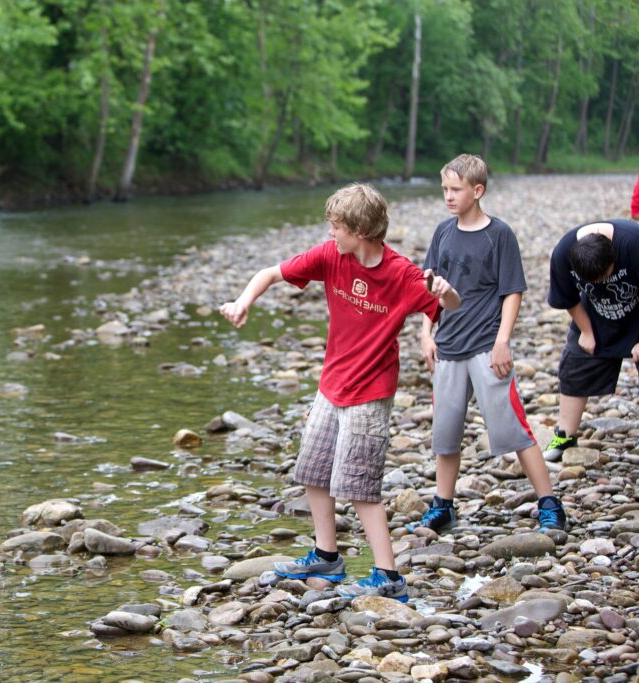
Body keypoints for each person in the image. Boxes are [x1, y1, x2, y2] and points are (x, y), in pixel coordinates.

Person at [220, 183, 461, 603]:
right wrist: (244, 301)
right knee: (313, 471)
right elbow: (271, 273)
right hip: (331, 385)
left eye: (336, 226)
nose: (330, 233)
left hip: (370, 391)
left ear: (361, 230)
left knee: (359, 485)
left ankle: (388, 575)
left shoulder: (401, 274)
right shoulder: (332, 256)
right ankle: (326, 555)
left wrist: (445, 292)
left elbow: (452, 306)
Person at [412, 154, 568, 534]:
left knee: (512, 427)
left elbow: (512, 292)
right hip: (447, 348)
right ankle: (444, 505)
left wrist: (503, 342)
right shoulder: (443, 233)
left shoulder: (499, 235)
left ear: (477, 190)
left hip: (485, 346)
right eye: (445, 188)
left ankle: (549, 503)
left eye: (456, 189)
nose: (448, 196)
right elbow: (430, 287)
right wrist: (425, 332)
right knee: (445, 434)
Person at [543, 219, 639, 473]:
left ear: (613, 257)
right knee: (575, 364)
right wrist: (586, 331)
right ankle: (565, 435)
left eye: (603, 276)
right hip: (597, 313)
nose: (599, 282)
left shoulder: (637, 244)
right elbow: (567, 297)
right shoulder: (563, 253)